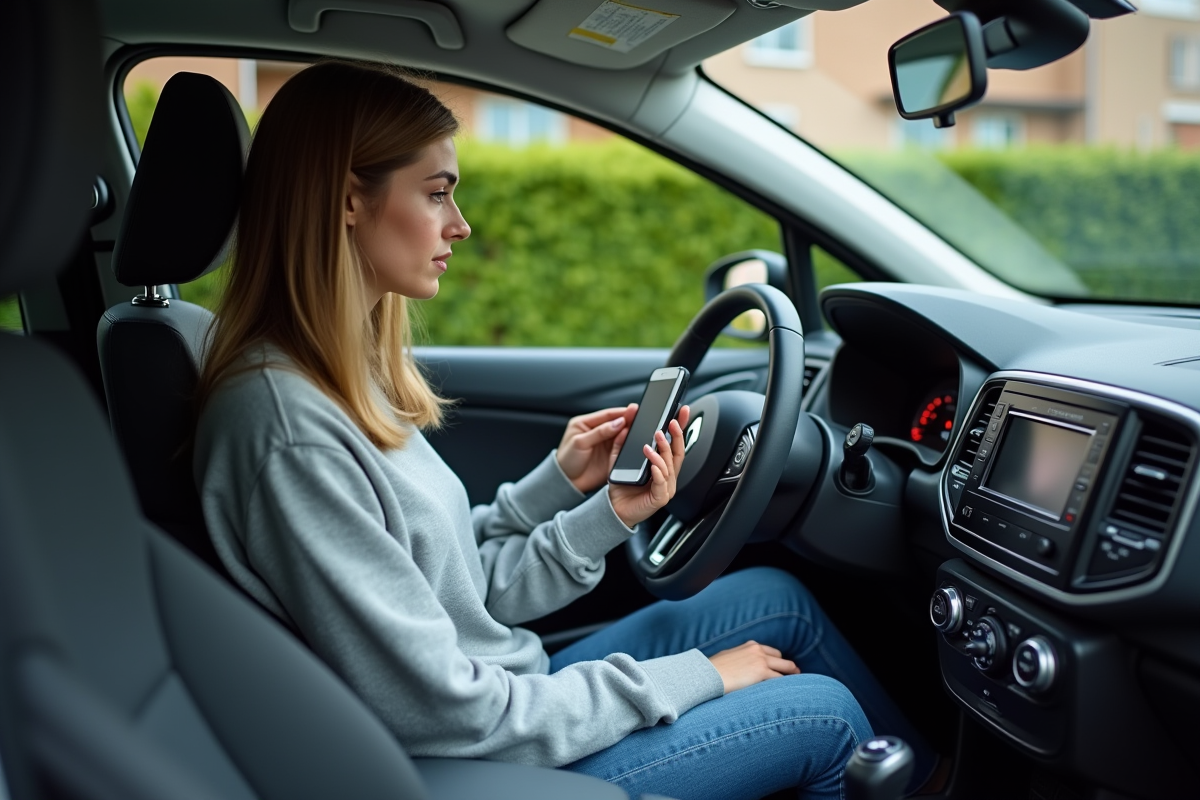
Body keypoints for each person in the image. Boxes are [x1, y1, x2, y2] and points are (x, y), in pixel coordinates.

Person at [193, 60, 937, 800]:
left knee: (777, 599)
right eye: (437, 193)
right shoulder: (289, 429)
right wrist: (700, 677)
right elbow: (443, 711)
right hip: (473, 759)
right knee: (831, 718)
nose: (461, 224)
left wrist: (592, 500)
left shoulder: (333, 377)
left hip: (504, 694)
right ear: (347, 201)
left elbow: (460, 594)